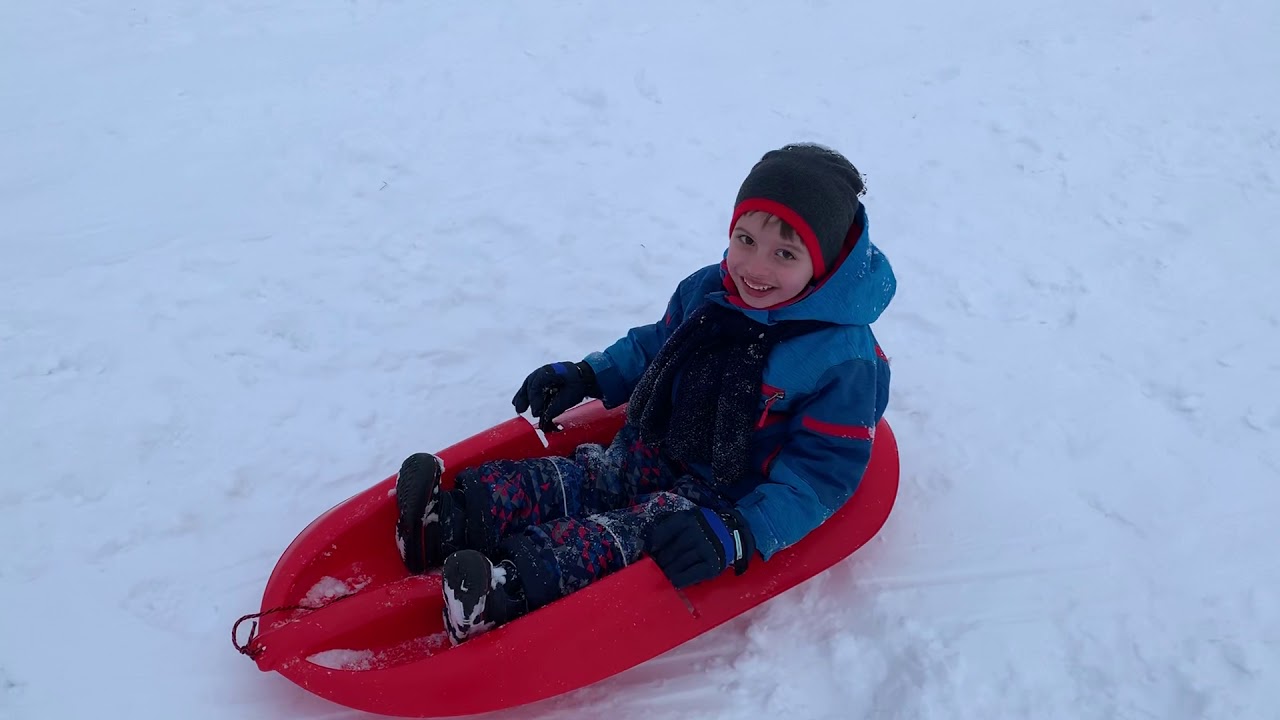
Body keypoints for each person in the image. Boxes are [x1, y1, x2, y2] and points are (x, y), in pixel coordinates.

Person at [394, 143, 896, 645]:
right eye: (746, 239)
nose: (755, 268)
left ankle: (505, 593)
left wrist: (743, 530)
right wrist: (589, 376)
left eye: (784, 254)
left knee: (633, 534)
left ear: (826, 265)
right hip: (658, 441)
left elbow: (821, 474)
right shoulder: (710, 290)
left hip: (726, 495)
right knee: (584, 476)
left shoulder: (841, 361)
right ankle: (451, 522)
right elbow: (657, 345)